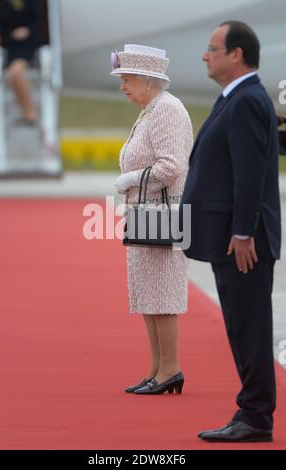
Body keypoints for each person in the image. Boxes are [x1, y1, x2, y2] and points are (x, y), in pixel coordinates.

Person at [180, 21, 281, 441]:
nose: (205, 55)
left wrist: (243, 232)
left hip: (242, 242)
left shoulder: (245, 101)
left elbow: (250, 174)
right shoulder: (235, 99)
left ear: (236, 54)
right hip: (231, 238)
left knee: (249, 326)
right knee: (241, 326)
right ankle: (252, 412)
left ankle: (256, 416)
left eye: (212, 48)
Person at [110, 44, 193, 394]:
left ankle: (170, 369)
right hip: (146, 212)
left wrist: (130, 179)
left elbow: (172, 166)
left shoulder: (167, 110)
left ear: (147, 80)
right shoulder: (152, 108)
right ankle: (158, 368)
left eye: (127, 79)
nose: (123, 87)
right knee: (148, 292)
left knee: (162, 293)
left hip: (164, 212)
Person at [0, 0, 41, 124]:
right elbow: (1, 25)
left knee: (14, 74)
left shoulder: (32, 3)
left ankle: (30, 112)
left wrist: (27, 30)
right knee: (9, 77)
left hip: (26, 45)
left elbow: (38, 21)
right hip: (9, 44)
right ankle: (26, 111)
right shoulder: (3, 4)